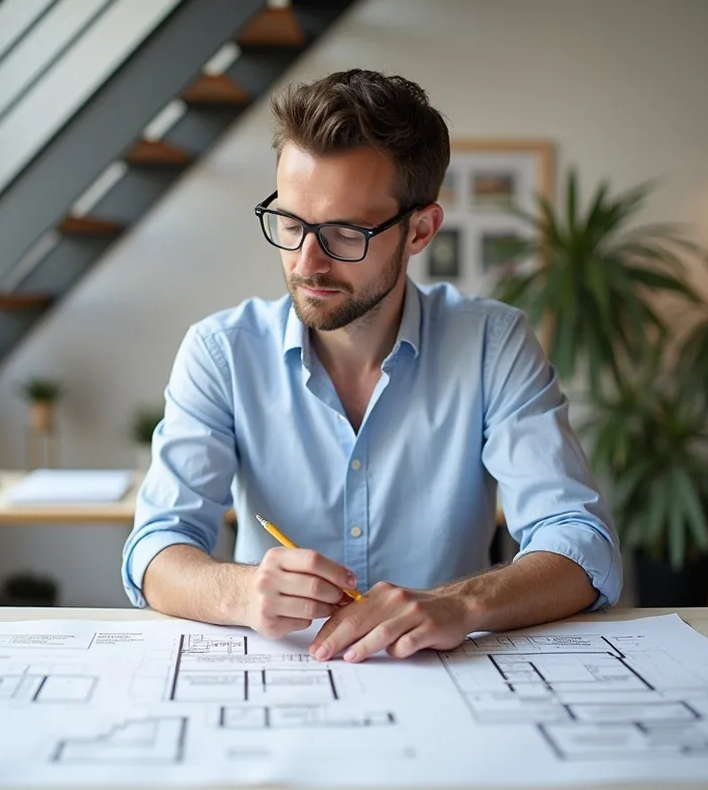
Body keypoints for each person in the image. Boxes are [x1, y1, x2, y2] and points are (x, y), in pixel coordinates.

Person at [121, 69, 622, 663]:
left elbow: (581, 544)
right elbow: (156, 549)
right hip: (282, 683)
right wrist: (240, 592)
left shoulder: (492, 343)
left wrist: (460, 604)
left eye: (344, 233)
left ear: (420, 231)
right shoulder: (220, 352)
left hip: (445, 680)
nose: (308, 262)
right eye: (290, 222)